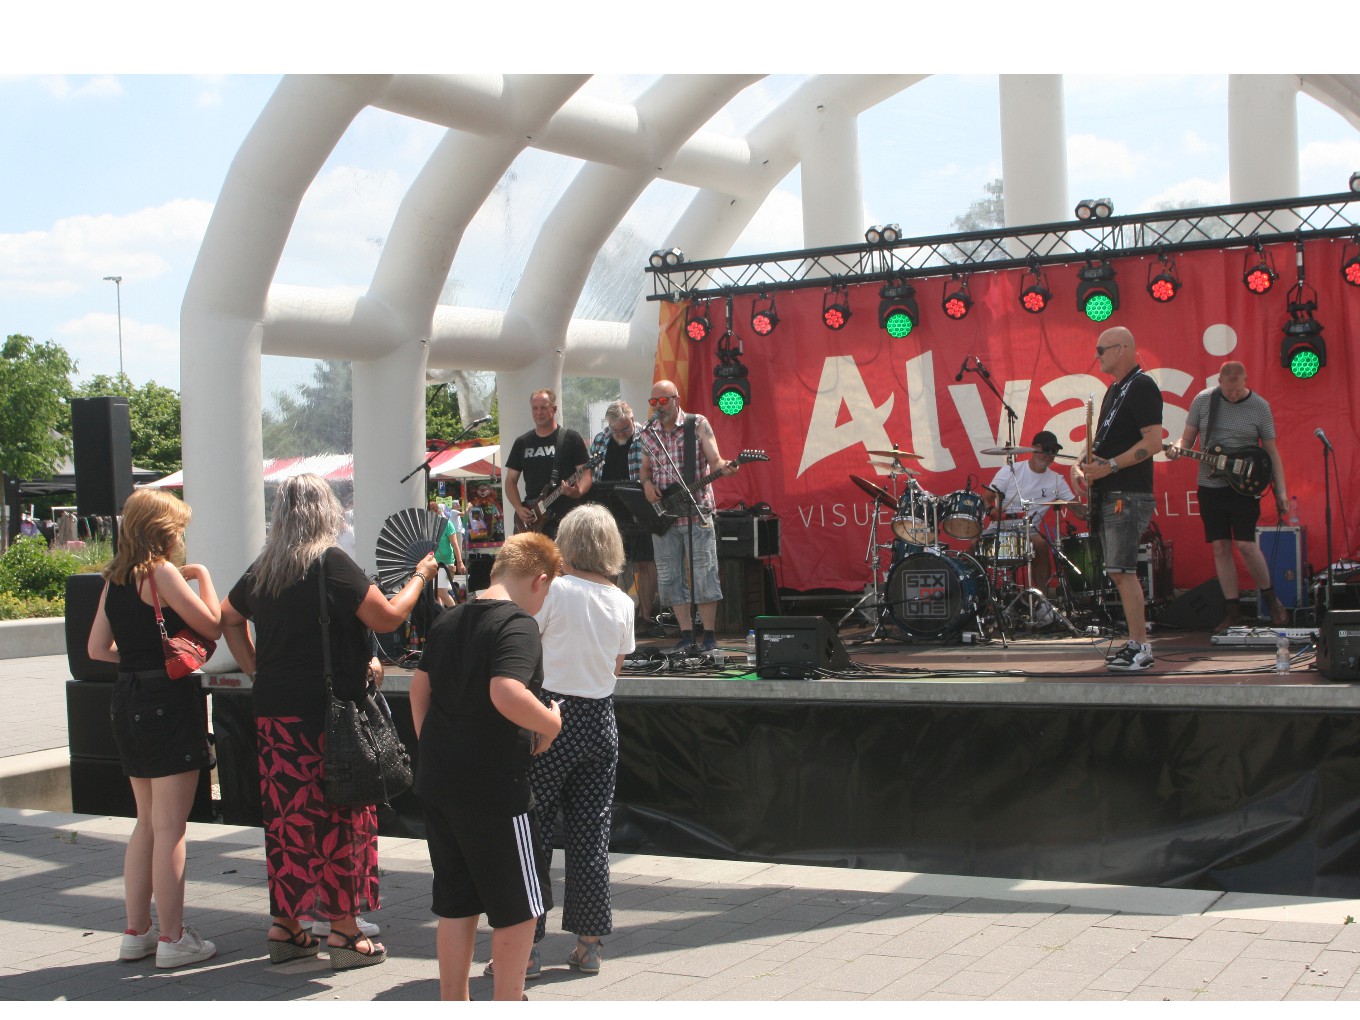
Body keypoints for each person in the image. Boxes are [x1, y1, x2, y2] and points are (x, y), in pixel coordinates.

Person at [220, 474, 439, 971]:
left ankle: (287, 927)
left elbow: (226, 617)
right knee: (341, 814)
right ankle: (343, 932)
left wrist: (256, 669)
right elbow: (387, 619)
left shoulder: (266, 566)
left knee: (287, 821)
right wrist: (421, 576)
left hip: (275, 716)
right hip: (329, 715)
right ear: (326, 513)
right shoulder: (331, 563)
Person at [409, 532, 565, 1001]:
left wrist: (437, 748)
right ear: (540, 580)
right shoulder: (518, 625)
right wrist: (551, 724)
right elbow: (506, 693)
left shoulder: (449, 618)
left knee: (456, 904)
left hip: (440, 782)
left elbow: (420, 691)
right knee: (519, 910)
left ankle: (453, 1002)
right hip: (495, 787)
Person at [86, 488, 222, 969]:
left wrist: (139, 660)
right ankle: (173, 938)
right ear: (162, 529)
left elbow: (97, 650)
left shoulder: (114, 578)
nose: (182, 533)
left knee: (145, 823)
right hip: (166, 702)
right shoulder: (160, 572)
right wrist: (203, 575)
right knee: (171, 828)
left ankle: (135, 932)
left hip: (126, 698)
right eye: (178, 526)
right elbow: (212, 622)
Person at [524, 504, 636, 977]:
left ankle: (523, 948)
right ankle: (589, 946)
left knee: (533, 830)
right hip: (600, 719)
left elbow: (526, 646)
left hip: (551, 714)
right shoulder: (624, 602)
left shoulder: (556, 591)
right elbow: (616, 665)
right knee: (591, 835)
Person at [1167, 361, 1290, 631]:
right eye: (1229, 391)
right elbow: (1187, 440)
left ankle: (1271, 598)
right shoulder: (1204, 401)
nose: (1233, 395)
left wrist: (1281, 491)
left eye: (1238, 390)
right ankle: (1232, 609)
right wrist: (1177, 448)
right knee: (1220, 547)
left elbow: (1271, 451)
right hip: (1211, 486)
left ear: (1245, 381)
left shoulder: (1260, 406)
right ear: (1220, 382)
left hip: (1245, 486)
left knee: (1245, 544)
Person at [1070, 326, 1164, 673]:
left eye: (1102, 349)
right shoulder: (1114, 391)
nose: (1097, 356)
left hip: (1128, 491)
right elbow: (1099, 440)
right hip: (1111, 490)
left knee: (1122, 570)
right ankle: (1134, 643)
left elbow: (1153, 442)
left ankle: (1140, 646)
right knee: (1117, 570)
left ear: (1122, 349)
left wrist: (1108, 466)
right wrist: (1079, 465)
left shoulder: (1142, 386)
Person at [638, 379, 740, 653]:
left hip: (697, 511)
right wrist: (647, 485)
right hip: (664, 516)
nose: (658, 407)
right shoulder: (649, 433)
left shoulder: (697, 424)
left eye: (663, 400)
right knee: (669, 576)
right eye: (653, 402)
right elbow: (644, 470)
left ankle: (708, 634)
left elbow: (715, 460)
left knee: (704, 573)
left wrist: (725, 467)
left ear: (676, 399)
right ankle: (685, 634)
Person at [978, 430, 1086, 596]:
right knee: (973, 546)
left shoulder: (1057, 480)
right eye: (1047, 449)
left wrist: (1096, 502)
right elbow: (986, 498)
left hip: (1028, 531)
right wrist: (992, 511)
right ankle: (973, 596)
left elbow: (1078, 511)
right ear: (1034, 448)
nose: (1050, 455)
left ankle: (1041, 601)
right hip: (1000, 527)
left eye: (1054, 451)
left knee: (1041, 544)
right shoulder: (1010, 471)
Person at [589, 399, 661, 636]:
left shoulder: (647, 437)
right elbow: (592, 473)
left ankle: (646, 617)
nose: (620, 434)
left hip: (639, 506)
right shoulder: (600, 440)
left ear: (632, 419)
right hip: (609, 507)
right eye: (615, 429)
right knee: (610, 564)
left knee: (645, 561)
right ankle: (610, 617)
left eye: (625, 428)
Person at [504, 388, 592, 539]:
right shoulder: (522, 442)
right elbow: (510, 481)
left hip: (564, 518)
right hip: (533, 517)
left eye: (543, 407)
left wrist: (577, 491)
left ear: (554, 409)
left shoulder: (571, 438)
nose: (539, 412)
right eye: (535, 408)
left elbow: (585, 473)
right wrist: (519, 508)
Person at [429, 500, 467, 609]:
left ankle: (455, 613)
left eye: (432, 513)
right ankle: (440, 616)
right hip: (433, 562)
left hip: (445, 563)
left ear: (438, 512)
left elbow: (455, 545)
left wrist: (460, 562)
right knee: (436, 593)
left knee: (442, 593)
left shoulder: (447, 524)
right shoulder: (428, 526)